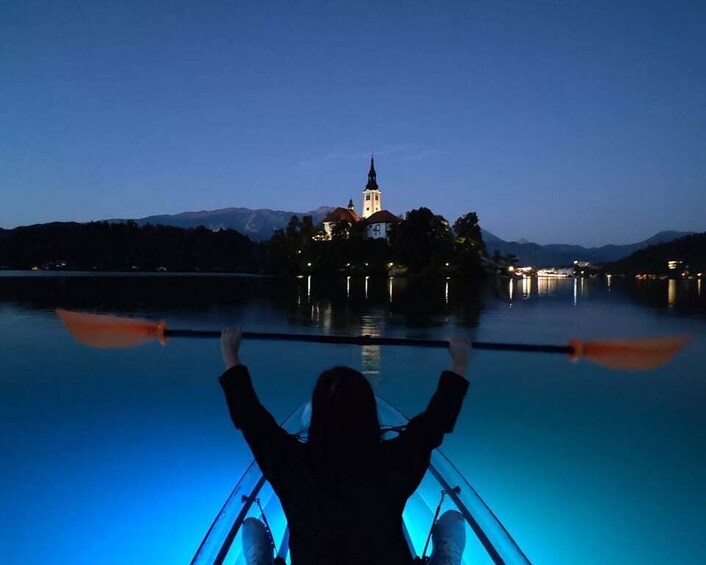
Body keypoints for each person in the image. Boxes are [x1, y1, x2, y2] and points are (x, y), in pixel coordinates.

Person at [219, 328, 471, 565]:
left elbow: (252, 420)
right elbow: (434, 423)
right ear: (370, 415)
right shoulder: (394, 462)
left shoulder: (291, 464)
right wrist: (459, 363)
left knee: (253, 527)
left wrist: (231, 356)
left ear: (316, 417)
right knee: (451, 522)